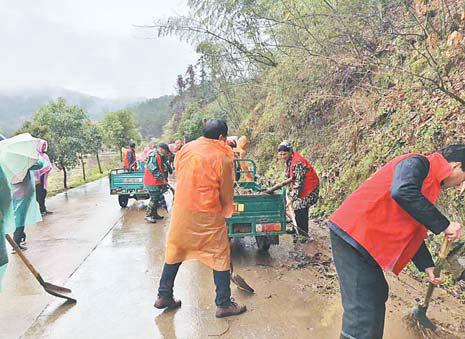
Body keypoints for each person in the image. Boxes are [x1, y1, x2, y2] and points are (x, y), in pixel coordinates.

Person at [328, 145, 465, 339]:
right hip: (352, 234)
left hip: (365, 241)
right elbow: (402, 191)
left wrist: (427, 266)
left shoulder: (428, 184)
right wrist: (444, 224)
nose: (460, 186)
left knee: (376, 295)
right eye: (463, 179)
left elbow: (413, 229)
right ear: (456, 166)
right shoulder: (417, 164)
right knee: (362, 310)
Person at [153, 119, 247, 318]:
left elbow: (179, 171)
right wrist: (227, 209)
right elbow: (226, 189)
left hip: (182, 210)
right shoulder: (224, 155)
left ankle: (164, 295)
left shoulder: (186, 148)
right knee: (219, 254)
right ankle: (223, 304)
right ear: (222, 137)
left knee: (175, 249)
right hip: (207, 213)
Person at [266, 140, 319, 242]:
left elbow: (299, 182)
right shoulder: (290, 160)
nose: (283, 156)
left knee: (300, 208)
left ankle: (303, 234)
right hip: (302, 188)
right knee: (296, 208)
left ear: (290, 151)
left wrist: (292, 198)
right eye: (280, 154)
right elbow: (290, 176)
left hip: (310, 188)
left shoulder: (298, 162)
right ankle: (296, 229)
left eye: (284, 154)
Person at [143, 143, 170, 223]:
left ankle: (154, 214)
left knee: (157, 198)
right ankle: (148, 215)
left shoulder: (160, 155)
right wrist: (162, 178)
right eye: (165, 151)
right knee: (154, 198)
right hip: (151, 181)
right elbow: (153, 169)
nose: (165, 153)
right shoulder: (153, 156)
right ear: (161, 149)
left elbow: (164, 164)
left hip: (156, 181)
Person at [34, 139, 53, 216]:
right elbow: (35, 167)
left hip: (44, 177)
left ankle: (43, 209)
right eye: (43, 145)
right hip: (37, 178)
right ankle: (42, 210)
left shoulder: (45, 156)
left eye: (45, 145)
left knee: (44, 193)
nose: (44, 146)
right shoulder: (35, 155)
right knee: (39, 194)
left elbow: (49, 165)